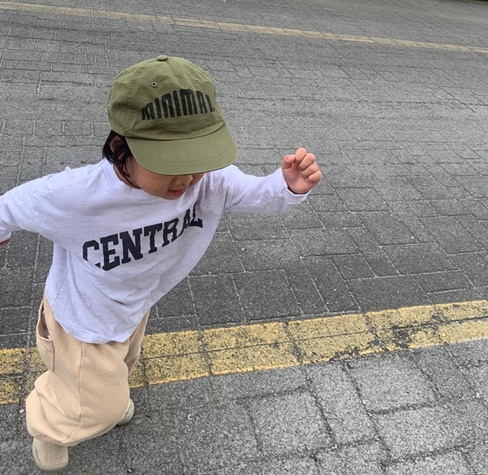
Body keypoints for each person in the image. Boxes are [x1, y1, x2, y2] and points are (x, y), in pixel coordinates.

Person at [0, 55, 322, 472]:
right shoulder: (76, 194)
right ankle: (49, 423)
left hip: (135, 304)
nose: (185, 180)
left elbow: (254, 194)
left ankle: (100, 393)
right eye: (168, 164)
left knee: (125, 364)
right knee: (91, 408)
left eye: (196, 162)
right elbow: (8, 207)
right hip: (84, 321)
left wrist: (287, 186)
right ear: (121, 147)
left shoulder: (210, 181)